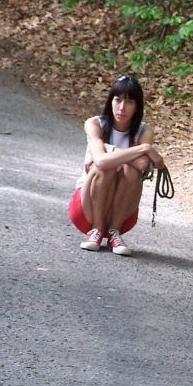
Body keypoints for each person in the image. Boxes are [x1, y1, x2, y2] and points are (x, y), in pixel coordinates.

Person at [68, 75, 165, 254]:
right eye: (117, 100)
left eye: (128, 102)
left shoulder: (144, 130)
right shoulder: (95, 124)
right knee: (105, 168)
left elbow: (143, 164)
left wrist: (109, 151)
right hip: (85, 209)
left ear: (137, 107)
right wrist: (143, 148)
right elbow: (102, 161)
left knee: (131, 169)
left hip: (122, 213)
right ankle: (96, 230)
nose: (121, 108)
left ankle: (114, 232)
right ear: (110, 101)